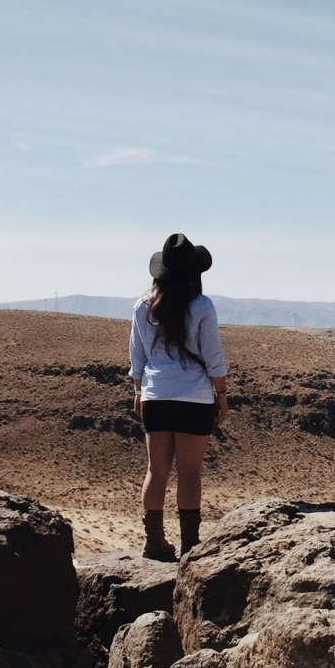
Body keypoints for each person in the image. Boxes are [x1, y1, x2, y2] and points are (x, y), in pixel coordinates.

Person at [129, 232, 228, 560]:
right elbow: (213, 356)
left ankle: (154, 542)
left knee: (155, 471)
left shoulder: (143, 306)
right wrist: (222, 395)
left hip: (156, 396)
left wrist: (138, 390)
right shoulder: (202, 306)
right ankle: (189, 545)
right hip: (194, 399)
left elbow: (137, 356)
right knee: (189, 472)